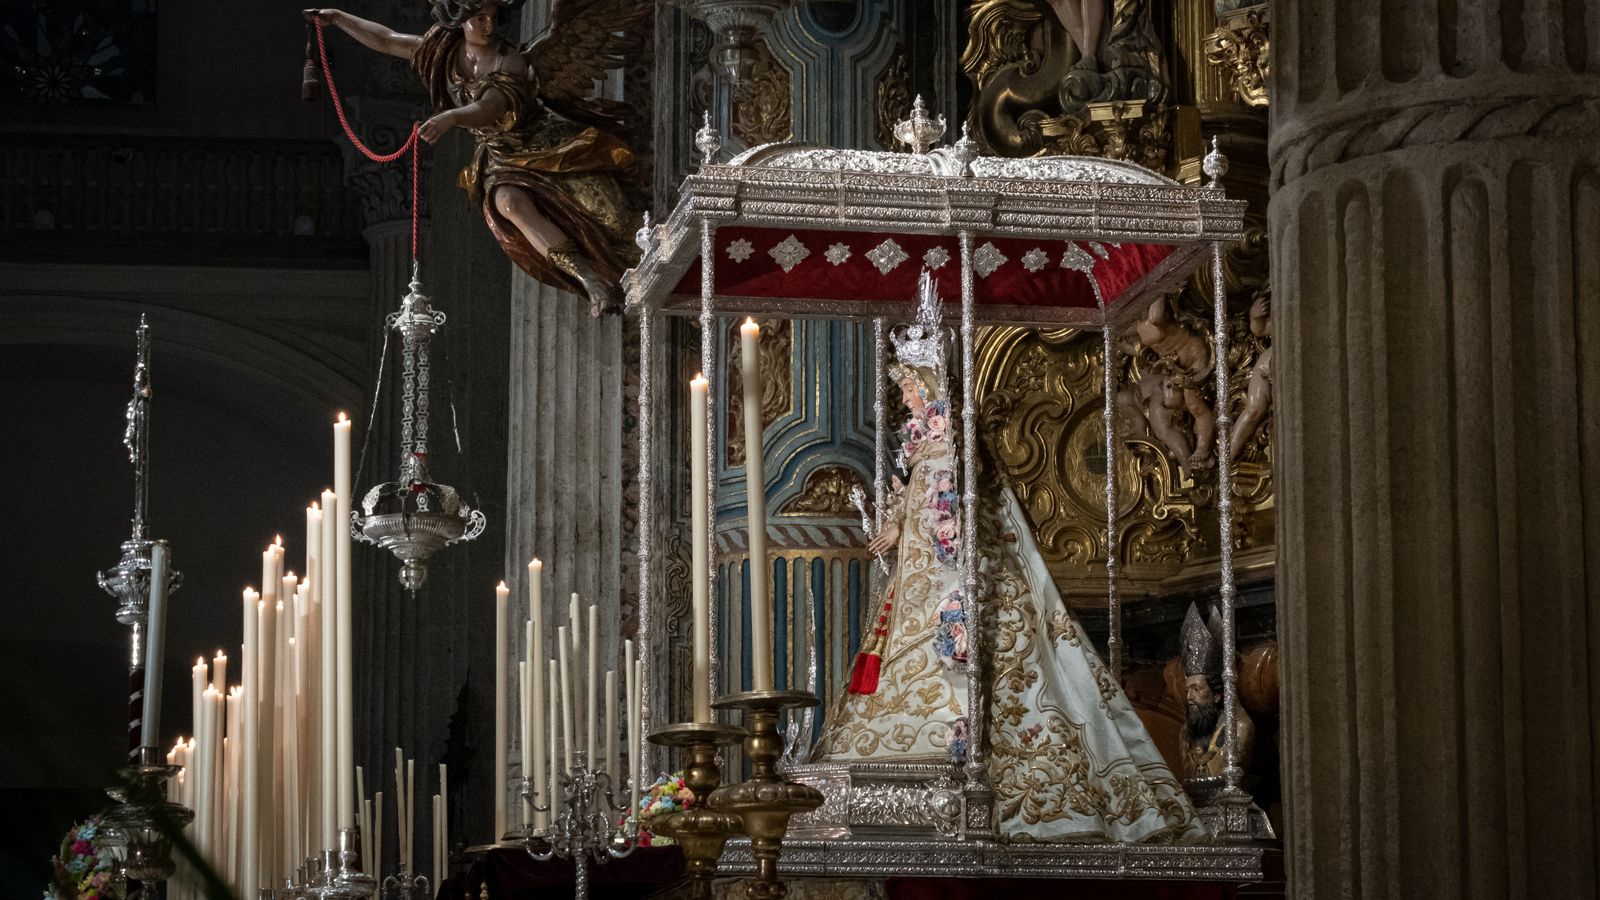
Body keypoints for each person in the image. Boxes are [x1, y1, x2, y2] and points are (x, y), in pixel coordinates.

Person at [815, 271, 1203, 843]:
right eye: (900, 388)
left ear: (926, 386)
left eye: (907, 387)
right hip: (920, 582)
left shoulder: (954, 437)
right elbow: (920, 498)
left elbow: (957, 504)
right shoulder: (923, 443)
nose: (902, 396)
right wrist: (895, 525)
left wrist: (925, 524)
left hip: (957, 576)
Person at [304, 0, 647, 315]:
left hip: (547, 147)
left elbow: (491, 107)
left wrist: (452, 117)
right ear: (459, 20)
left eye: (493, 17)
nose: (489, 25)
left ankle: (643, 259)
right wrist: (339, 18)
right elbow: (389, 39)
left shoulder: (508, 60)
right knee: (509, 204)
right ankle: (589, 279)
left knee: (614, 221)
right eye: (480, 18)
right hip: (501, 156)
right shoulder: (443, 53)